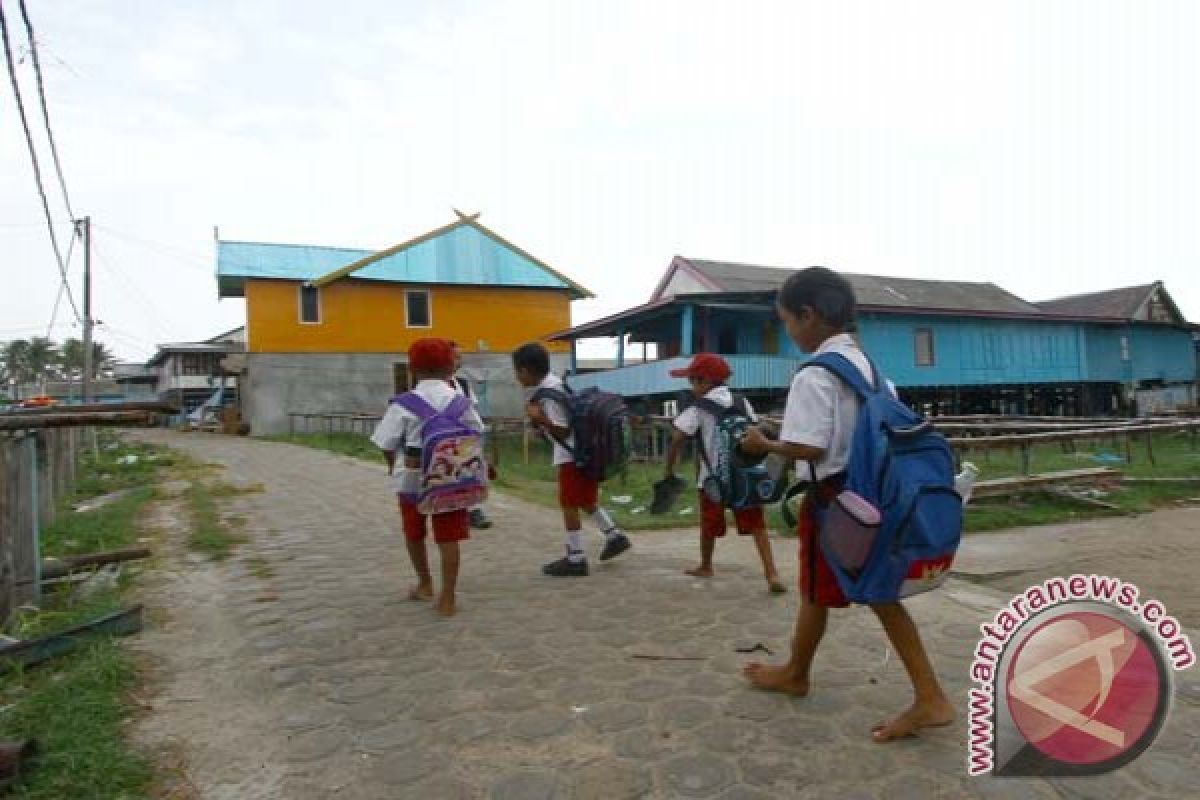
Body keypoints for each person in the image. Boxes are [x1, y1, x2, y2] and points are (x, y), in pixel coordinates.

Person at [738, 267, 954, 742]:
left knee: (879, 594)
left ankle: (931, 698)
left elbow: (810, 448)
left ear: (808, 316)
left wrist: (763, 443)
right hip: (876, 496)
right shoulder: (878, 376)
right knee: (820, 589)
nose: (789, 332)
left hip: (836, 503)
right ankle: (797, 669)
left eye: (787, 322)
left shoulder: (814, 375)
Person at [371, 338, 483, 617]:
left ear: (412, 368)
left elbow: (386, 443)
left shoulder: (404, 404)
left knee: (414, 532)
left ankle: (425, 583)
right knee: (449, 538)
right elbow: (476, 434)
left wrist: (391, 467)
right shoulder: (461, 401)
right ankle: (448, 598)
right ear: (450, 368)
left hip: (411, 479)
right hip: (450, 480)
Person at [664, 353, 785, 593]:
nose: (691, 386)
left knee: (709, 524)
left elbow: (677, 437)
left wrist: (669, 469)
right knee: (757, 525)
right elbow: (755, 429)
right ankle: (772, 573)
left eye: (692, 381)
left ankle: (706, 565)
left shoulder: (698, 408)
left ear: (705, 382)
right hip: (745, 474)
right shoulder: (741, 401)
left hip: (712, 479)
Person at [512, 342, 632, 576]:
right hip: (584, 451)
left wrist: (542, 420)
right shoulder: (557, 384)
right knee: (586, 499)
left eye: (517, 371)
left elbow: (563, 430)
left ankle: (575, 557)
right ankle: (614, 535)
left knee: (569, 504)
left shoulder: (548, 396)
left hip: (570, 455)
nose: (517, 377)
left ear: (526, 370)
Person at [449, 341, 493, 530]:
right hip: (444, 439)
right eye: (455, 356)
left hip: (466, 438)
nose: (458, 361)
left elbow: (472, 411)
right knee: (447, 475)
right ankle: (453, 511)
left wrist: (478, 436)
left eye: (460, 357)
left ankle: (474, 510)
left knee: (471, 473)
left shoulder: (463, 384)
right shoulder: (430, 386)